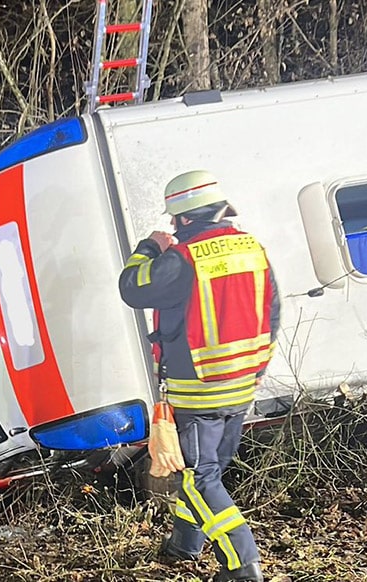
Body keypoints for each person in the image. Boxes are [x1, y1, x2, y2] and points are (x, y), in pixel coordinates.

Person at [118, 170, 280, 582]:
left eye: (174, 221)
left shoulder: (183, 258)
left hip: (199, 390)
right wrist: (258, 367)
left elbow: (133, 287)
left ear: (184, 219)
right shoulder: (253, 249)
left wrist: (149, 247)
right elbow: (272, 312)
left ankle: (243, 564)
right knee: (209, 471)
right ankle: (185, 545)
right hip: (242, 386)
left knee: (195, 478)